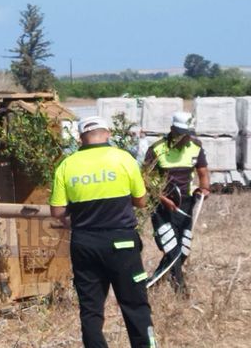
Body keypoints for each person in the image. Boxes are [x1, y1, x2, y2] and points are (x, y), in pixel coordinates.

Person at [50, 116, 156, 348]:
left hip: (85, 244)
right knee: (135, 306)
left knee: (91, 311)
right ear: (107, 133)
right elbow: (141, 201)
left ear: (80, 138)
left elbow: (57, 211)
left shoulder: (67, 165)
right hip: (122, 244)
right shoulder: (124, 159)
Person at [144, 111, 210, 293]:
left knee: (184, 248)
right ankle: (180, 288)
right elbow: (145, 178)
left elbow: (203, 172)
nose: (184, 136)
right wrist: (162, 198)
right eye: (180, 132)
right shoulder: (156, 148)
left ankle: (153, 282)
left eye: (187, 132)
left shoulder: (196, 146)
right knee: (170, 245)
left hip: (187, 204)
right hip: (161, 204)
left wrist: (204, 188)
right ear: (172, 129)